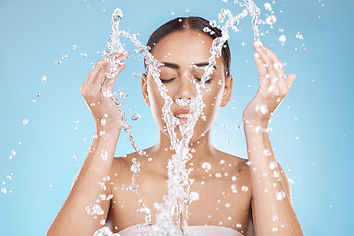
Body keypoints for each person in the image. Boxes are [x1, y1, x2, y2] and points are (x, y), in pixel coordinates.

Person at [47, 17, 304, 236]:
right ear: (146, 90)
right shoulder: (114, 175)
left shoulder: (253, 176)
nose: (184, 94)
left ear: (226, 90)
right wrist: (106, 129)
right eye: (166, 78)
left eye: (202, 78)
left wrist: (257, 125)